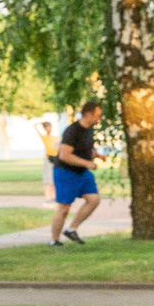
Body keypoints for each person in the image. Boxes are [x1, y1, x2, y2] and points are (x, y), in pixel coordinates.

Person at [49, 100, 103, 247]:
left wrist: (96, 155)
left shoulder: (89, 130)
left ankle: (72, 229)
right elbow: (64, 155)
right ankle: (54, 240)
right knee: (64, 208)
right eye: (97, 116)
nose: (99, 119)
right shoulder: (72, 131)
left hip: (82, 173)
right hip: (65, 172)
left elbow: (86, 148)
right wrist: (87, 163)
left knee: (94, 200)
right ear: (87, 114)